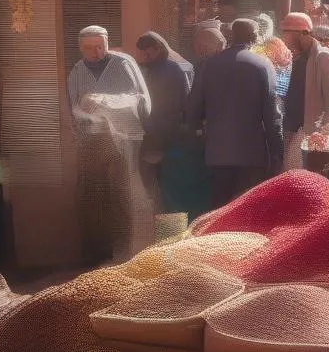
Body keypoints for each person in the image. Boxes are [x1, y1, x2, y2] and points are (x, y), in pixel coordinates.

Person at [67, 26, 151, 264]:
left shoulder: (123, 65)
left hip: (123, 141)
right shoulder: (76, 72)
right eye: (90, 48)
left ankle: (123, 254)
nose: (97, 52)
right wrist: (84, 110)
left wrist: (107, 101)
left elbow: (142, 103)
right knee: (91, 198)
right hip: (91, 143)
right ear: (80, 48)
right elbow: (72, 110)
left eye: (100, 46)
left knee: (121, 196)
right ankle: (94, 256)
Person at [187, 18, 283, 209]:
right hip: (252, 153)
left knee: (220, 210)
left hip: (217, 152)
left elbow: (193, 107)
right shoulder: (262, 66)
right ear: (254, 37)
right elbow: (272, 115)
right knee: (245, 211)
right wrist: (277, 153)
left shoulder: (210, 65)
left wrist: (198, 137)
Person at [135, 32, 205, 218]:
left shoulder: (173, 70)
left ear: (158, 49)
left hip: (168, 137)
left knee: (167, 185)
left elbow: (182, 103)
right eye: (143, 53)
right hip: (150, 134)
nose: (145, 57)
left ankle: (170, 219)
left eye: (148, 53)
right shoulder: (145, 70)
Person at [280, 12, 329, 170]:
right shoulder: (294, 57)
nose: (285, 41)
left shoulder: (323, 57)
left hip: (312, 134)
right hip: (291, 131)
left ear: (304, 33)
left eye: (288, 36)